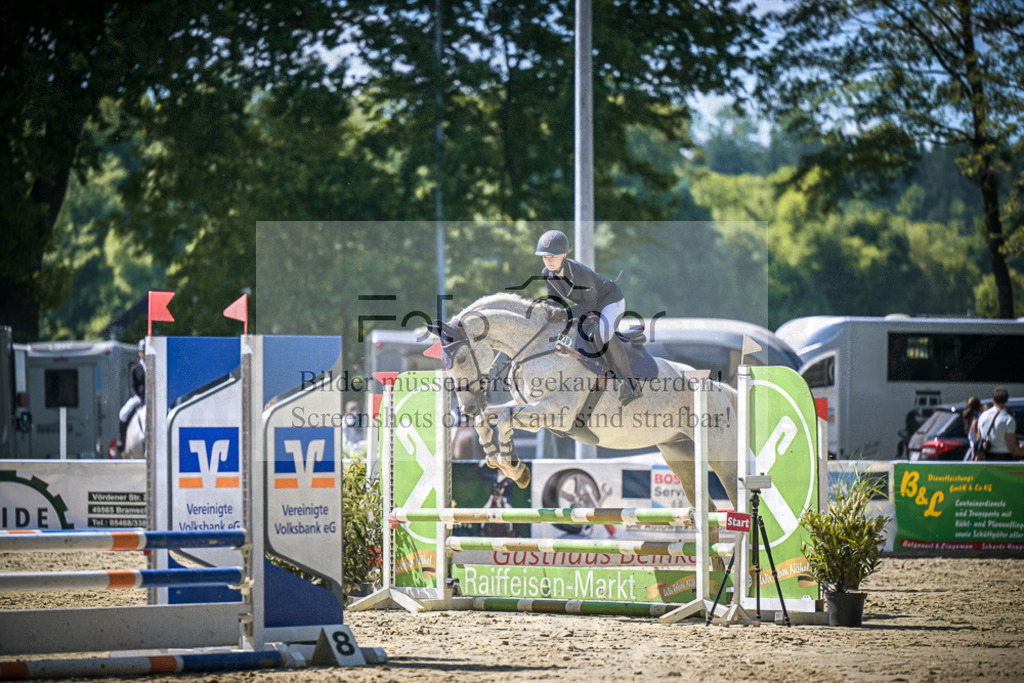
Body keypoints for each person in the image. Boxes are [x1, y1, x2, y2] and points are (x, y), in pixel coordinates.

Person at [535, 229, 641, 405]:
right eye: (545, 257)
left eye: (553, 256)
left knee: (603, 333)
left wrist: (564, 314)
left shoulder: (580, 274)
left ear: (564, 255)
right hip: (589, 305)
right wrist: (544, 312)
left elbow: (590, 305)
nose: (549, 261)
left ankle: (630, 384)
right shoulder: (547, 273)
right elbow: (554, 300)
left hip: (609, 301)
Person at [972, 387, 1024, 461]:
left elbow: (979, 440)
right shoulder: (1008, 419)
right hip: (1004, 459)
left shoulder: (983, 416)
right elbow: (1012, 447)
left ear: (993, 400)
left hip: (987, 458)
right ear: (1006, 400)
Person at [117, 339, 146, 456]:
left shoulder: (153, 367)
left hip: (153, 399)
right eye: (143, 351)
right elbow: (132, 386)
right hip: (139, 397)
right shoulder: (135, 368)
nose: (144, 354)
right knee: (123, 414)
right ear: (139, 353)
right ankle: (122, 440)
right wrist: (137, 397)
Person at [961, 396, 982, 461]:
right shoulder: (977, 421)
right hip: (976, 453)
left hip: (971, 451)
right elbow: (978, 441)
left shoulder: (968, 418)